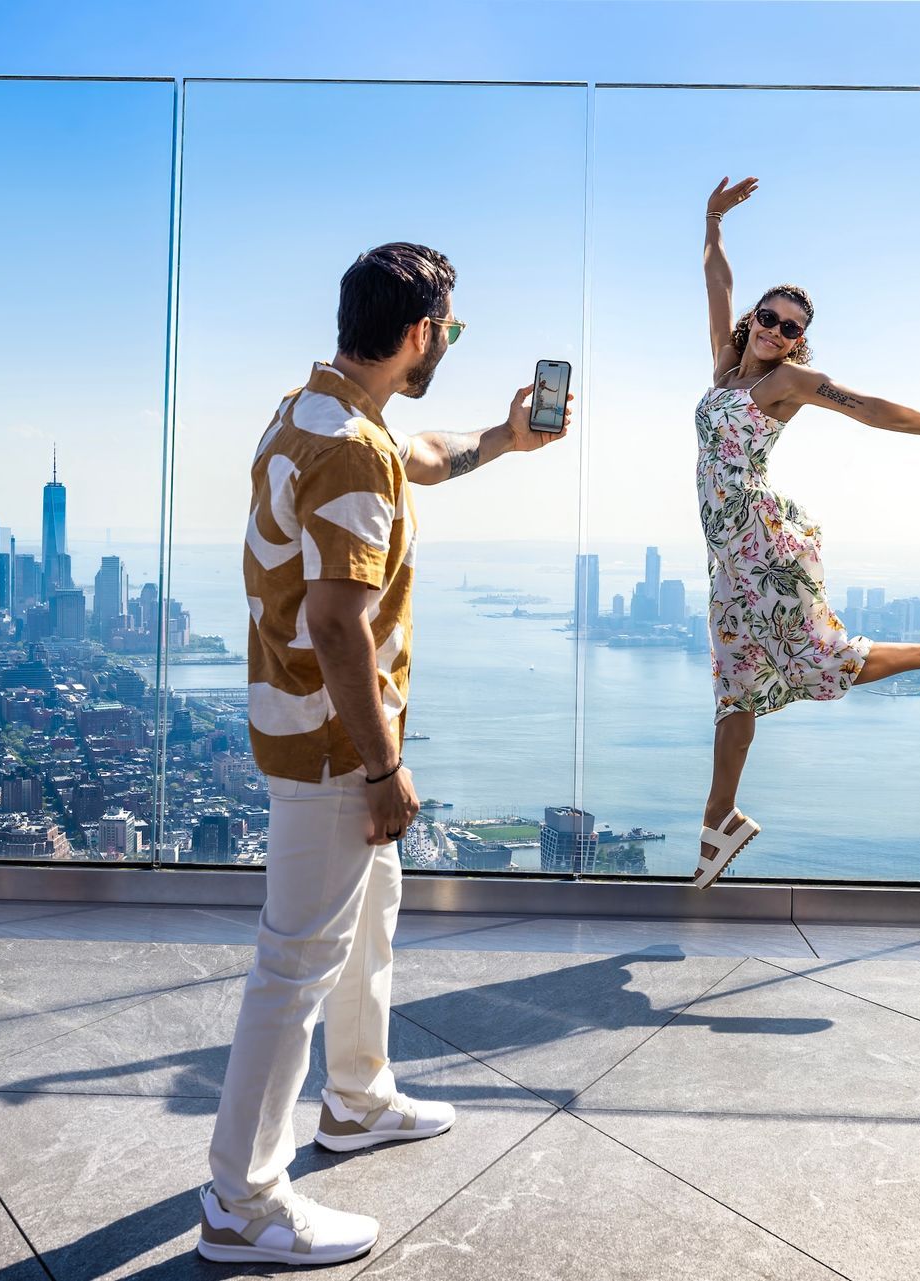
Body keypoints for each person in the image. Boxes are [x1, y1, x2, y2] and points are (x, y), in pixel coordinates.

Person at [199, 241, 573, 1266]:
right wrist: (381, 767)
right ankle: (242, 1200)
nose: (446, 344)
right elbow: (336, 625)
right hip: (331, 746)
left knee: (369, 921)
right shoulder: (352, 447)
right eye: (447, 331)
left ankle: (358, 1100)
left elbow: (419, 458)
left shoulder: (315, 412)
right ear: (418, 335)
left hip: (311, 731)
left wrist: (503, 439)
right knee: (297, 962)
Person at [693, 176, 920, 890]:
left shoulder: (788, 385)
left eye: (792, 329)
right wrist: (714, 221)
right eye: (770, 319)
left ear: (800, 343)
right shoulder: (724, 368)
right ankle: (720, 818)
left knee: (825, 662)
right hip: (727, 564)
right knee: (736, 688)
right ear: (754, 320)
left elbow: (871, 408)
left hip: (762, 549)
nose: (778, 332)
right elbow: (717, 280)